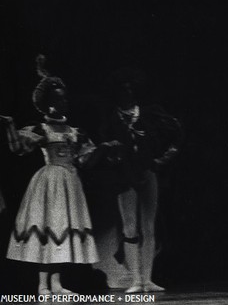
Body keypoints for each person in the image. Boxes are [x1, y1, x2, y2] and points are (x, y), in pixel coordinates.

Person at [0, 55, 116, 295]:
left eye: (65, 99)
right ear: (49, 104)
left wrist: (104, 148)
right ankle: (43, 285)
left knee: (62, 230)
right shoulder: (42, 128)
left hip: (70, 182)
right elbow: (19, 148)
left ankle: (56, 283)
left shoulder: (75, 132)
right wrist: (10, 126)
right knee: (49, 228)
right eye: (59, 100)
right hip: (51, 182)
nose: (65, 104)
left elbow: (85, 160)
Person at [99, 68, 183, 293]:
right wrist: (112, 154)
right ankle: (136, 280)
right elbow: (103, 147)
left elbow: (177, 135)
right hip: (125, 176)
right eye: (122, 90)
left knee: (149, 225)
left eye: (130, 89)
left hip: (147, 172)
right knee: (129, 227)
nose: (127, 93)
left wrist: (161, 160)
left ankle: (147, 278)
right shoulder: (111, 118)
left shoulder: (150, 113)